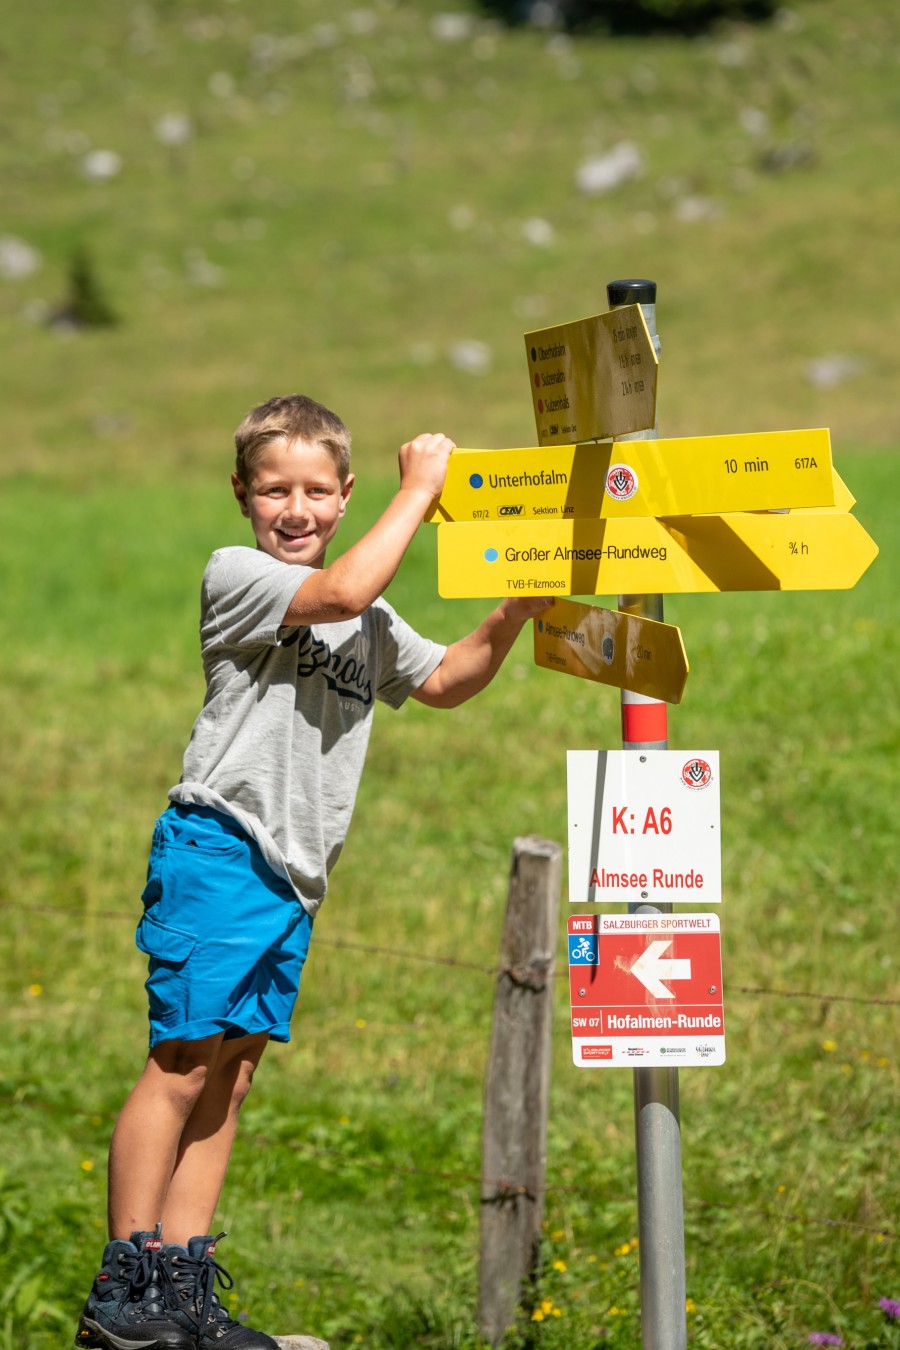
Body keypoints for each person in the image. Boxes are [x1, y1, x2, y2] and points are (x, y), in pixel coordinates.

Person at [76, 394, 552, 1350]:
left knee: (231, 1079)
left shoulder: (369, 620)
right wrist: (420, 492)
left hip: (293, 880)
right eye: (275, 490)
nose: (295, 509)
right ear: (242, 496)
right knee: (182, 1065)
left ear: (343, 497)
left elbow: (446, 679)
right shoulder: (241, 576)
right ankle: (124, 1289)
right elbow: (336, 593)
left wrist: (514, 612)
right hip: (222, 847)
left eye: (316, 492)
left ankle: (183, 1291)